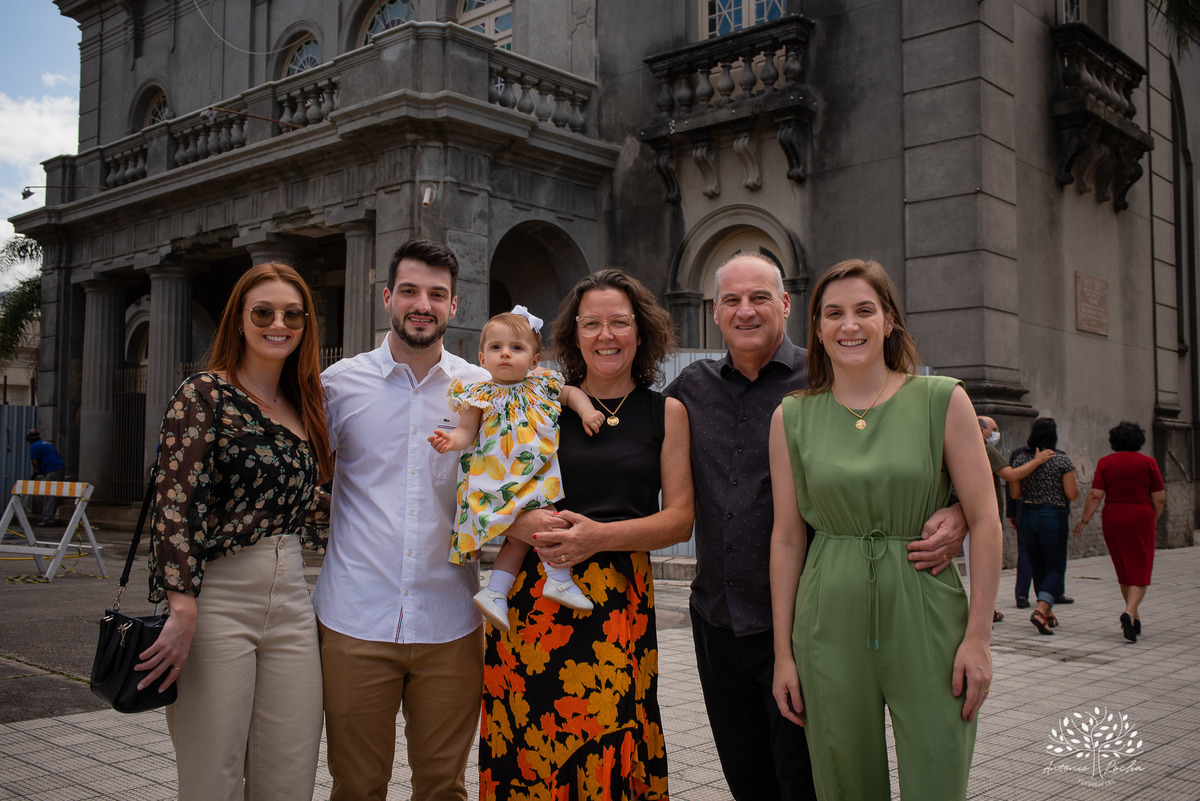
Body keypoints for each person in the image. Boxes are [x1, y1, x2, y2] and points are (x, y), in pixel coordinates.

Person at [665, 253, 968, 801]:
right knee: (749, 783)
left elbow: (931, 444)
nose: (746, 311)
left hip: (809, 625)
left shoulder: (831, 372)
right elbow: (628, 431)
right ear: (714, 312)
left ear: (786, 304)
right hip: (718, 620)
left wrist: (966, 511)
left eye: (760, 297)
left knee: (812, 784)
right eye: (732, 300)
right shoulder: (691, 386)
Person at [769, 258, 1000, 800]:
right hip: (827, 620)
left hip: (927, 611)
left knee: (938, 779)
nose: (850, 325)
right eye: (834, 314)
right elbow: (786, 537)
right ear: (818, 330)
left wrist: (980, 639)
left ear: (889, 321)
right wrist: (784, 654)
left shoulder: (941, 399)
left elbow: (987, 521)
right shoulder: (791, 418)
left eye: (864, 311)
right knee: (844, 784)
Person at [478, 269, 694, 800]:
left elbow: (681, 518)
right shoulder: (541, 402)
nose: (606, 335)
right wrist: (519, 520)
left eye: (619, 322)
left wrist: (598, 537)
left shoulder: (666, 411)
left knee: (610, 738)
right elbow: (485, 477)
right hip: (531, 602)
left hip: (618, 601)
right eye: (592, 323)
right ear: (574, 335)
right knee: (528, 745)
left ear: (640, 332)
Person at [134, 262, 334, 801]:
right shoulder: (203, 394)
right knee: (212, 778)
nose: (279, 323)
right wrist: (181, 607)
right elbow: (175, 506)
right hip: (217, 600)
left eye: (293, 314)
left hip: (292, 600)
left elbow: (292, 502)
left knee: (290, 777)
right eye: (263, 311)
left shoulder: (305, 404)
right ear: (240, 319)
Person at [313, 238, 488, 801]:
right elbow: (308, 477)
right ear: (387, 297)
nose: (423, 304)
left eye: (437, 294)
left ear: (454, 307)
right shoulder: (339, 386)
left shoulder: (480, 392)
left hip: (450, 620)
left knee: (443, 789)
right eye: (410, 291)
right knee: (357, 786)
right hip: (355, 619)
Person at [429, 306, 605, 628]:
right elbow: (466, 432)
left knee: (529, 532)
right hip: (495, 478)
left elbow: (571, 393)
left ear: (534, 361)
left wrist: (586, 411)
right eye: (496, 348)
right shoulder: (478, 394)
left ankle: (496, 590)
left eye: (517, 348)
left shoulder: (541, 385)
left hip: (533, 472)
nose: (505, 354)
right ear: (482, 358)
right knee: (543, 523)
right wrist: (450, 441)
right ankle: (558, 579)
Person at [1073, 421, 1165, 643]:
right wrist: (1153, 518)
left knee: (1123, 567)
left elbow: (1095, 494)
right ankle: (1129, 612)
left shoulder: (1106, 462)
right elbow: (1159, 497)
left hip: (1114, 517)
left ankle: (1134, 617)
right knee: (1140, 569)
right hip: (1141, 516)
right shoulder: (1148, 462)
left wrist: (1084, 521)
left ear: (1114, 441)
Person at [977, 416, 1054, 622]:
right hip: (984, 515)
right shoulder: (986, 449)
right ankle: (985, 611)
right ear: (981, 430)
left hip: (972, 512)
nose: (996, 432)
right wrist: (1037, 461)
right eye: (994, 429)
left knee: (977, 564)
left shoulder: (966, 448)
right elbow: (1011, 476)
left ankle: (986, 609)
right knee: (986, 565)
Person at [1009, 417, 1078, 635]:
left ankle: (1047, 613)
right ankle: (1040, 609)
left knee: (1037, 564)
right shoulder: (1061, 461)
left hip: (1028, 515)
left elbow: (1016, 494)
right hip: (1053, 515)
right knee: (1056, 566)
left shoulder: (1021, 459)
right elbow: (1072, 493)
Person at [26, 429, 66, 526]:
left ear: (30, 440)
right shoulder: (47, 444)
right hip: (60, 469)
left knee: (48, 493)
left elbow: (34, 462)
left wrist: (38, 471)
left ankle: (48, 520)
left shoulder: (35, 446)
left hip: (52, 470)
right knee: (55, 493)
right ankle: (50, 517)